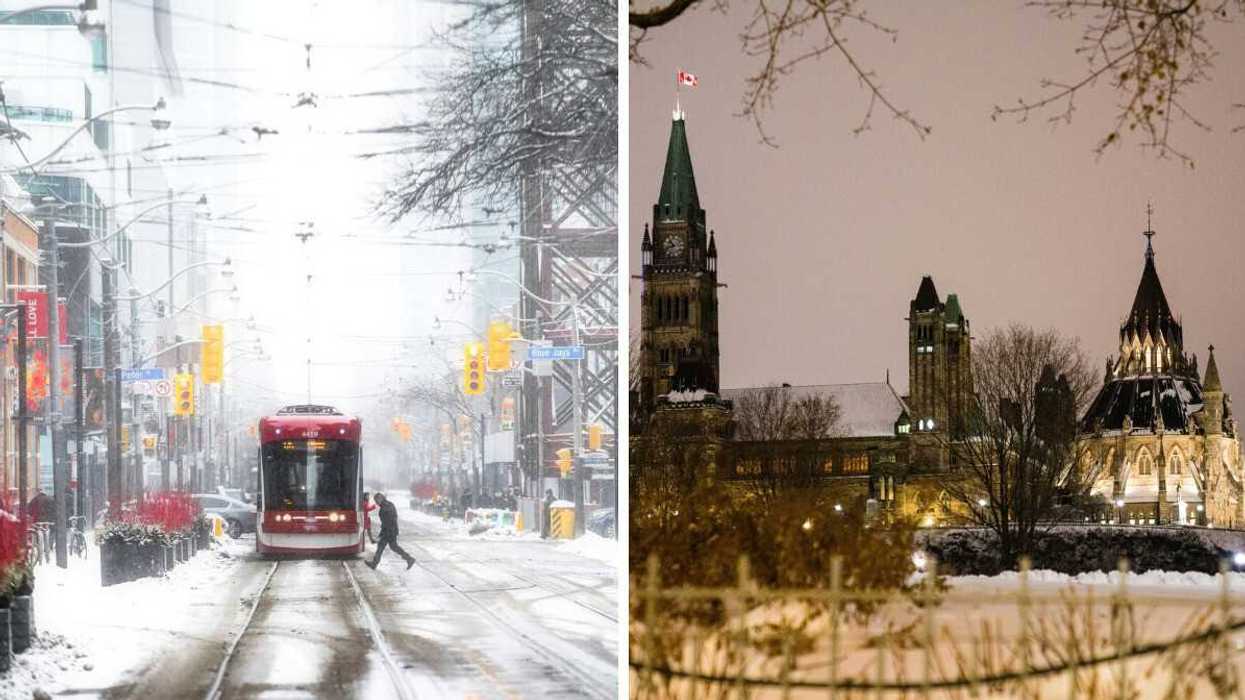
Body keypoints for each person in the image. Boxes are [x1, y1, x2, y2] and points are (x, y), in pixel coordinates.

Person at [366, 493, 414, 570]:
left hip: (389, 531)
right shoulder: (389, 504)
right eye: (375, 501)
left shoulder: (385, 507)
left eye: (376, 500)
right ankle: (409, 559)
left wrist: (383, 533)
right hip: (391, 530)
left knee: (381, 547)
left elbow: (387, 522)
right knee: (393, 547)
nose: (376, 503)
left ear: (380, 498)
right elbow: (391, 519)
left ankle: (374, 564)